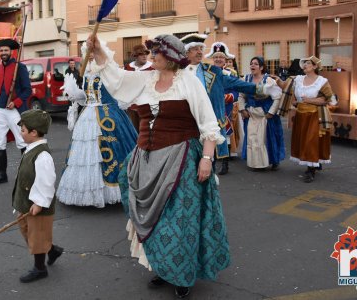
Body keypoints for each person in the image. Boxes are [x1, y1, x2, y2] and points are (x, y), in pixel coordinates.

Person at [88, 33, 229, 298]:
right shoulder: (145, 80)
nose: (152, 57)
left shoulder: (188, 83)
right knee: (153, 217)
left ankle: (182, 274)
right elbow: (115, 79)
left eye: (157, 53)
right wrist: (97, 50)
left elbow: (209, 123)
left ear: (171, 57)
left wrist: (207, 159)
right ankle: (161, 266)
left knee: (180, 219)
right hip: (147, 159)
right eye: (152, 53)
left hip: (181, 158)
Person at [58, 46, 138, 207]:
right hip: (88, 114)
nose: (91, 56)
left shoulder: (108, 73)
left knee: (114, 149)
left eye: (94, 52)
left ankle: (119, 187)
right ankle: (90, 191)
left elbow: (117, 90)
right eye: (88, 53)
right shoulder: (87, 73)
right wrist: (74, 93)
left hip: (108, 114)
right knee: (86, 155)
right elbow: (87, 96)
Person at [183, 35, 257, 176]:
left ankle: (219, 164)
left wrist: (260, 89)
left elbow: (236, 85)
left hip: (215, 114)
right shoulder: (179, 72)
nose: (200, 52)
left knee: (218, 142)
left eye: (201, 49)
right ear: (186, 53)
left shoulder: (214, 71)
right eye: (195, 49)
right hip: (188, 121)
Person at [12, 110, 63, 283]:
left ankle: (40, 269)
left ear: (34, 133)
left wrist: (39, 203)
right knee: (27, 230)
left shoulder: (42, 155)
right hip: (26, 203)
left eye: (23, 130)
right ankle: (52, 250)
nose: (21, 133)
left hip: (37, 205)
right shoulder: (31, 149)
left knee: (37, 235)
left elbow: (46, 181)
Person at [274, 56, 333, 183]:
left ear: (315, 66)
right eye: (304, 63)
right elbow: (284, 86)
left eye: (308, 63)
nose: (305, 65)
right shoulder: (297, 79)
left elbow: (326, 99)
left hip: (315, 115)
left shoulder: (322, 81)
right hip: (301, 114)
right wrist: (278, 80)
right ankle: (314, 162)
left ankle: (311, 170)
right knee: (302, 140)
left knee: (311, 141)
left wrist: (309, 100)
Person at [0, 38, 32, 186]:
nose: (3, 53)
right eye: (1, 51)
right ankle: (2, 174)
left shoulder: (19, 67)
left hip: (15, 110)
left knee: (22, 141)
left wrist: (16, 102)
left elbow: (28, 90)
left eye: (6, 50)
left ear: (11, 51)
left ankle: (26, 175)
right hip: (0, 109)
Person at [239, 56, 286, 171]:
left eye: (255, 64)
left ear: (261, 67)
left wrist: (271, 113)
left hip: (265, 114)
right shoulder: (246, 79)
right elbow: (241, 95)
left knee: (267, 138)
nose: (252, 66)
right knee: (253, 139)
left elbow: (277, 97)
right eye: (251, 64)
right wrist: (242, 110)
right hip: (251, 114)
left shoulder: (268, 80)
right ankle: (256, 163)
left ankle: (273, 159)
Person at [123, 44, 154, 131]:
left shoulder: (152, 67)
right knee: (133, 129)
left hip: (147, 104)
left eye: (145, 54)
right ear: (136, 56)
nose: (144, 56)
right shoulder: (128, 67)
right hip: (131, 104)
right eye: (141, 54)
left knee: (146, 130)